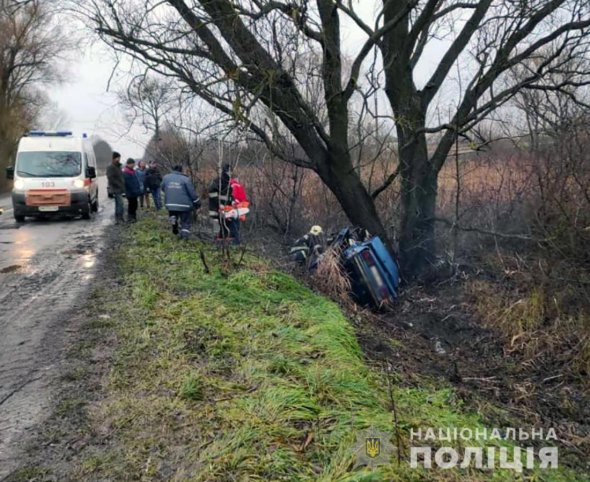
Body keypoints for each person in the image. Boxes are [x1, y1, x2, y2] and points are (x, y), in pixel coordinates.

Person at [162, 164, 200, 240]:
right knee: (185, 221)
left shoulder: (166, 177)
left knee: (173, 214)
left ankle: (174, 223)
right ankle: (184, 237)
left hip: (170, 204)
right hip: (184, 205)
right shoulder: (185, 179)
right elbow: (192, 193)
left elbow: (163, 188)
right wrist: (197, 202)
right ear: (181, 170)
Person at [208, 163, 239, 244]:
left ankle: (223, 242)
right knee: (216, 224)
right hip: (215, 208)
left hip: (226, 208)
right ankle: (215, 241)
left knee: (225, 224)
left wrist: (232, 201)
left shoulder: (228, 183)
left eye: (231, 172)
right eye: (229, 172)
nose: (230, 173)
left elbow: (229, 195)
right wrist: (219, 205)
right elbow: (212, 193)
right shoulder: (217, 181)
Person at [106, 151, 124, 224]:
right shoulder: (111, 167)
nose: (119, 159)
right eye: (118, 158)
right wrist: (118, 184)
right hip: (116, 188)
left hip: (119, 188)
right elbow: (110, 178)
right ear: (114, 158)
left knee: (119, 204)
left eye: (119, 158)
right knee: (120, 204)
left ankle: (119, 218)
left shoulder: (118, 166)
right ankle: (119, 218)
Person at [122, 158, 141, 222]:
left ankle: (134, 216)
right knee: (131, 205)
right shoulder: (126, 172)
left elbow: (136, 181)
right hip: (130, 192)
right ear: (128, 164)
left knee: (135, 204)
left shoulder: (133, 171)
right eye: (132, 164)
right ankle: (130, 217)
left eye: (134, 163)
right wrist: (134, 190)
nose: (133, 165)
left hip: (134, 191)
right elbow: (128, 183)